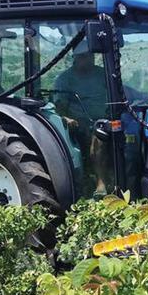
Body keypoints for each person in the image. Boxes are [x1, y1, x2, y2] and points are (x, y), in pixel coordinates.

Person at [53, 40, 113, 194]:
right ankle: (101, 184)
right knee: (98, 138)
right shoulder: (65, 80)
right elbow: (60, 108)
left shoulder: (102, 74)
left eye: (91, 56)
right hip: (80, 124)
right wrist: (67, 119)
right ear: (77, 57)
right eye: (85, 57)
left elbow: (121, 92)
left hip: (108, 118)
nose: (89, 60)